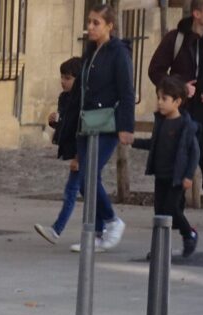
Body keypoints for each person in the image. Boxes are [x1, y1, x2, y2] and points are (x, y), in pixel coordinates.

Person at [69, 3, 135, 253]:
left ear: (110, 26)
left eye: (96, 23)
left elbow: (126, 91)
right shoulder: (90, 51)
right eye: (89, 21)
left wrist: (126, 126)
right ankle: (97, 233)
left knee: (88, 175)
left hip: (108, 123)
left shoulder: (118, 53)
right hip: (87, 122)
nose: (90, 27)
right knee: (86, 179)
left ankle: (112, 221)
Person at [148, 0, 203, 210]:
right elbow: (155, 70)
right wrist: (180, 87)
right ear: (196, 13)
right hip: (179, 113)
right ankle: (172, 214)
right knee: (176, 161)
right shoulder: (175, 39)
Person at [133, 76, 201, 257]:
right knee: (160, 213)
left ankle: (189, 234)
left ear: (177, 101)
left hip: (176, 178)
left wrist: (188, 176)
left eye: (164, 99)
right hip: (161, 176)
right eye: (158, 98)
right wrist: (134, 141)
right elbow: (153, 144)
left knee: (172, 210)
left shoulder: (185, 125)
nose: (160, 103)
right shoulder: (161, 122)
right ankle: (160, 249)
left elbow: (194, 152)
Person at [34, 57, 84, 246]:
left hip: (82, 152)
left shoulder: (82, 100)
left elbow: (80, 128)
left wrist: (79, 156)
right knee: (90, 190)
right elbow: (66, 124)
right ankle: (105, 225)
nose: (63, 81)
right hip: (74, 150)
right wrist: (54, 121)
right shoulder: (64, 98)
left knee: (72, 190)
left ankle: (57, 229)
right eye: (62, 77)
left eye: (68, 78)